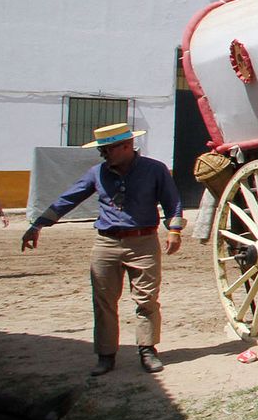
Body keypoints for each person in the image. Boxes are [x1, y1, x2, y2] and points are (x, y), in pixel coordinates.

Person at [21, 124, 184, 376]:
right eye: (102, 150)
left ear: (126, 146)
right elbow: (69, 198)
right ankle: (106, 355)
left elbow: (172, 202)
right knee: (103, 300)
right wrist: (38, 223)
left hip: (143, 243)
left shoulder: (155, 170)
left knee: (147, 299)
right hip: (106, 243)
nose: (103, 154)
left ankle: (147, 350)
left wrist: (174, 230)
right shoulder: (96, 173)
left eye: (107, 149)